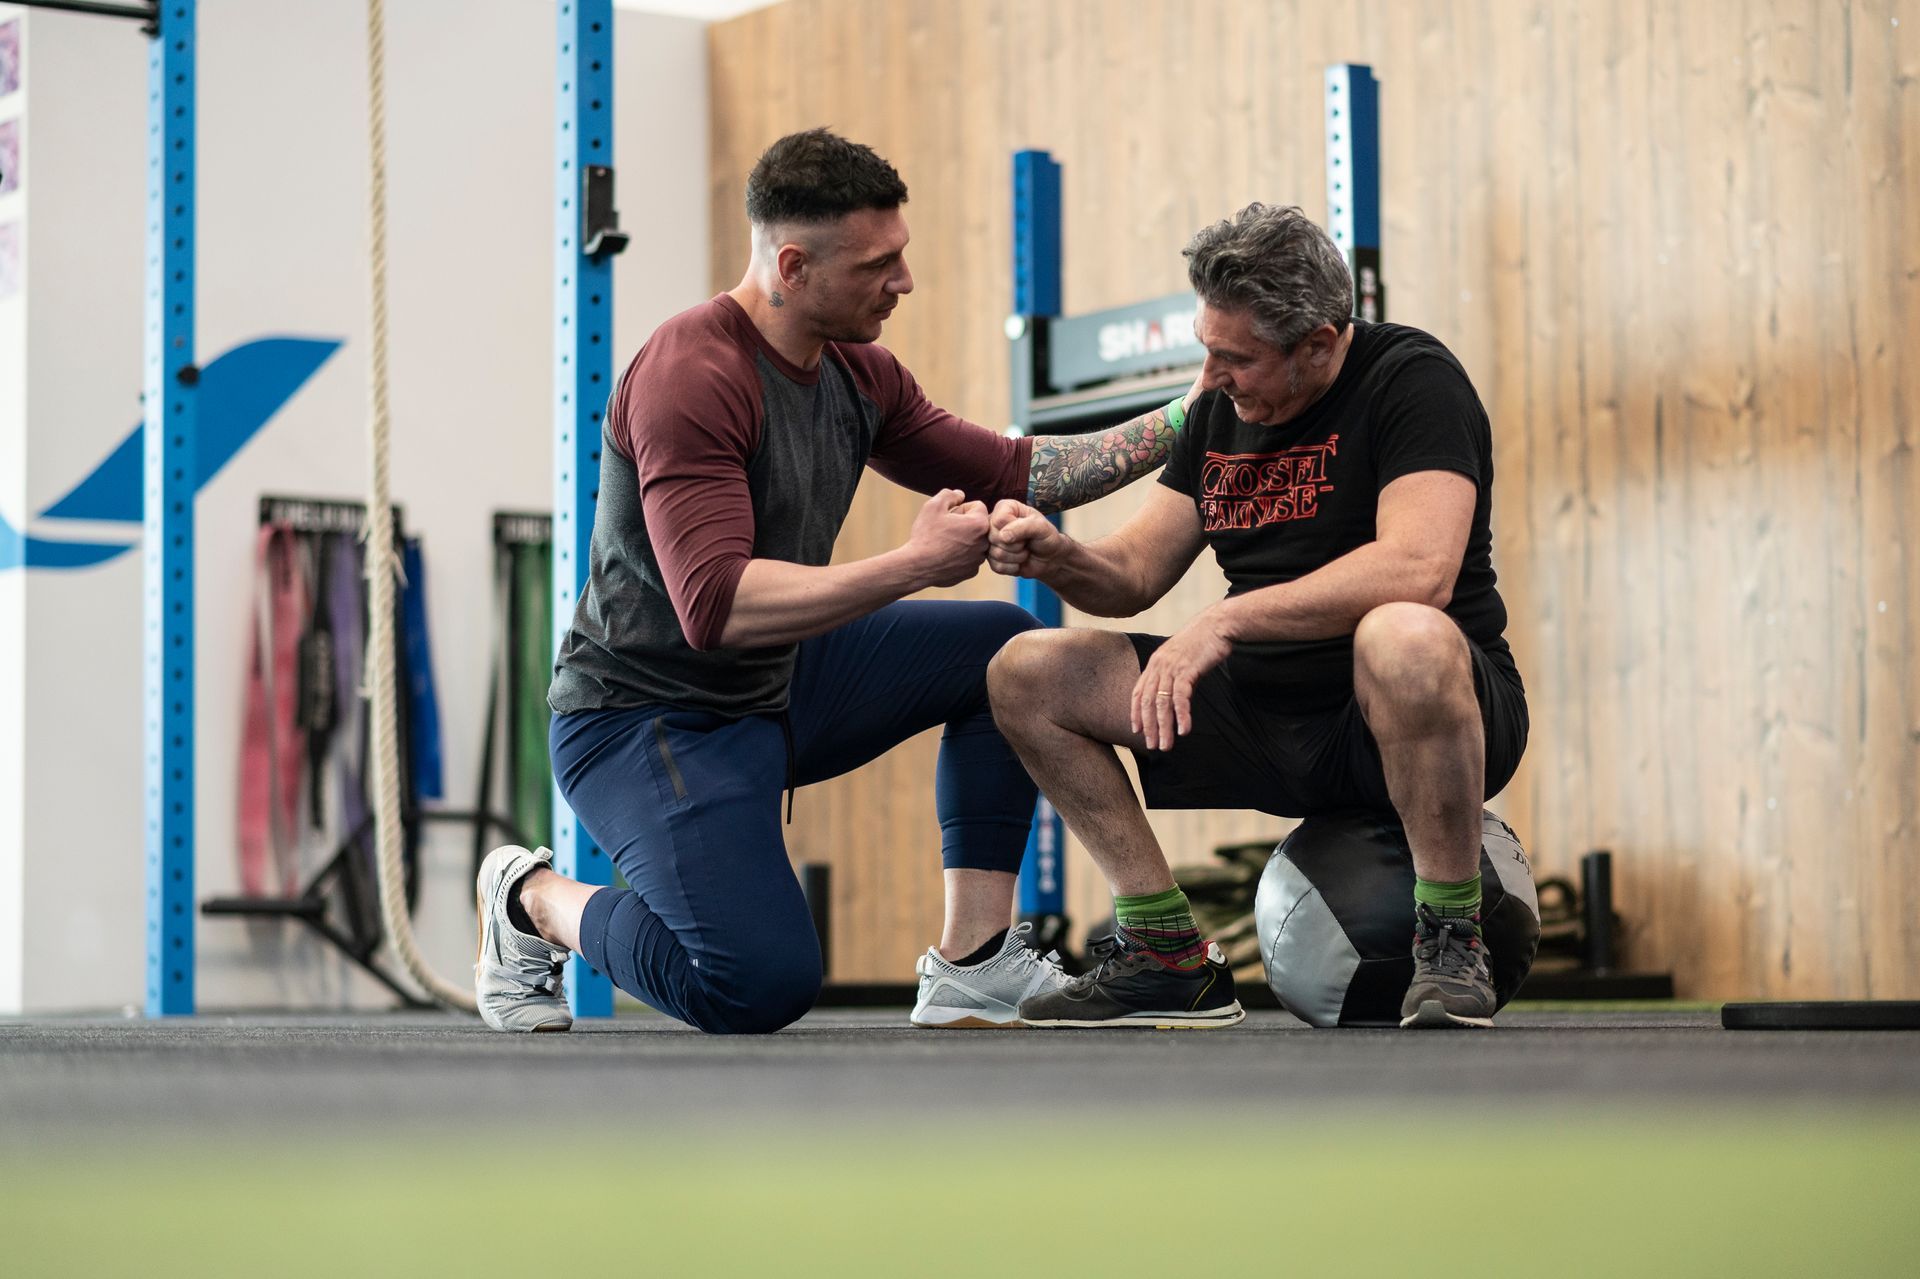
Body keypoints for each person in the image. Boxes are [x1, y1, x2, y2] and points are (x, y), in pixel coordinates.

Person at [473, 129, 1191, 1034]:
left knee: (1012, 654)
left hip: (781, 682)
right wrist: (913, 564)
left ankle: (972, 959)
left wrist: (1196, 412)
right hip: (647, 716)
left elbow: (1027, 469)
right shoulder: (691, 375)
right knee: (754, 984)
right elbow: (715, 607)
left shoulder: (860, 372)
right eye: (878, 265)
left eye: (902, 256)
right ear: (791, 265)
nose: (904, 282)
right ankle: (530, 902)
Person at [986, 204, 1529, 1030]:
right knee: (1027, 672)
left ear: (1318, 342)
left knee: (1403, 632)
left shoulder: (1411, 378)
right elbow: (1132, 573)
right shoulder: (1219, 409)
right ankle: (1163, 953)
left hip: (1405, 705)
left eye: (1236, 357)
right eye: (1207, 349)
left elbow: (1420, 567)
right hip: (1266, 712)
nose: (1212, 376)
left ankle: (1451, 936)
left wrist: (1224, 623)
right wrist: (1057, 556)